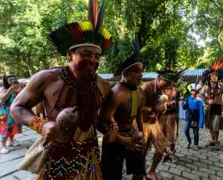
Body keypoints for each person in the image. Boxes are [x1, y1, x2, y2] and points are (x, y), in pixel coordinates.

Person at [10, 0, 112, 179]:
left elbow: (106, 119)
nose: (93, 60)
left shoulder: (103, 86)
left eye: (97, 56)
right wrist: (41, 125)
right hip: (56, 154)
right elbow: (16, 108)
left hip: (89, 154)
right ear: (70, 54)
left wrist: (114, 130)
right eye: (86, 54)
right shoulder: (47, 78)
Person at [99, 38, 146, 180]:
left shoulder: (139, 92)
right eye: (136, 71)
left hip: (132, 135)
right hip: (114, 140)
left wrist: (142, 133)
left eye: (141, 71)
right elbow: (102, 124)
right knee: (112, 177)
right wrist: (123, 140)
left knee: (139, 172)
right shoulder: (116, 93)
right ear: (125, 73)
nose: (141, 75)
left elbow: (139, 115)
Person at [141, 68, 182, 180]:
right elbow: (137, 108)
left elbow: (161, 108)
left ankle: (152, 171)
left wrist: (164, 107)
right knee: (142, 152)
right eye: (167, 83)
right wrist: (155, 108)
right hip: (142, 123)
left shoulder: (163, 89)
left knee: (161, 149)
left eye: (171, 84)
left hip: (154, 123)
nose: (168, 87)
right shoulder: (146, 87)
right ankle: (142, 174)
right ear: (159, 79)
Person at [199, 57, 223, 151]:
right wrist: (207, 101)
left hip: (217, 108)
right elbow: (200, 95)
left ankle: (216, 142)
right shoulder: (206, 86)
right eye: (212, 75)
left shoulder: (221, 86)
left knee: (215, 125)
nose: (214, 77)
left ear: (218, 77)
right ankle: (212, 140)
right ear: (210, 77)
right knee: (210, 125)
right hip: (208, 108)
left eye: (216, 75)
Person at [159, 68, 182, 164]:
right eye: (168, 79)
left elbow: (178, 105)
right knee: (162, 135)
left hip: (172, 115)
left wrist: (176, 116)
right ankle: (165, 153)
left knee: (171, 135)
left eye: (172, 79)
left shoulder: (177, 90)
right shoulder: (160, 90)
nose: (170, 81)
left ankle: (172, 153)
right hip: (162, 116)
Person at [0, 75, 22, 154]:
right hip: (5, 111)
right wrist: (10, 90)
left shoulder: (15, 89)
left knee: (13, 127)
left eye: (14, 79)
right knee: (5, 129)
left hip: (13, 110)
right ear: (6, 81)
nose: (12, 81)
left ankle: (11, 142)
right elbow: (3, 98)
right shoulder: (3, 89)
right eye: (10, 80)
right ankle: (3, 146)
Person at [181, 83, 204, 151]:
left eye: (195, 91)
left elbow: (201, 112)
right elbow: (184, 108)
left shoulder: (199, 101)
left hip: (195, 119)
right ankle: (189, 140)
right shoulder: (188, 99)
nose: (194, 92)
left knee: (195, 132)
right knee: (185, 130)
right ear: (190, 91)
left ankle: (196, 144)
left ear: (197, 92)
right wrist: (183, 104)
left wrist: (201, 122)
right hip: (189, 118)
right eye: (192, 90)